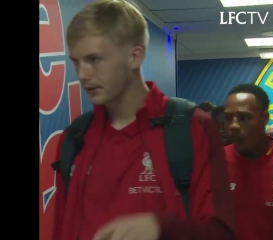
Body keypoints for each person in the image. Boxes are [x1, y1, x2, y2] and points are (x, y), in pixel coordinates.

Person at [51, 1, 235, 240]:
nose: (83, 74)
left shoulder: (192, 127)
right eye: (76, 62)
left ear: (134, 56)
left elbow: (221, 233)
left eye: (94, 59)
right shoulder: (75, 139)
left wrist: (161, 229)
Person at [223, 84, 273, 240]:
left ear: (265, 118)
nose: (234, 125)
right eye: (229, 118)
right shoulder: (214, 162)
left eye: (244, 117)